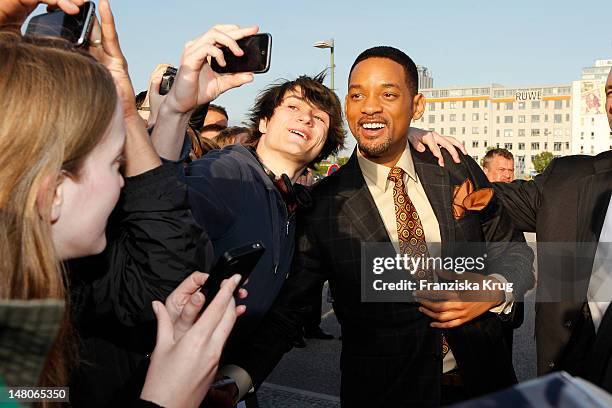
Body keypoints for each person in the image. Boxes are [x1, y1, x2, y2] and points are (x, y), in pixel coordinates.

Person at [218, 46, 534, 407]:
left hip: (486, 385)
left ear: (416, 106)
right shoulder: (323, 207)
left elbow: (514, 250)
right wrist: (235, 381)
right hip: (384, 395)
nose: (369, 106)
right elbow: (288, 314)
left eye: (388, 94)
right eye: (357, 95)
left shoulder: (455, 168)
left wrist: (493, 290)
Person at [0, 17, 244, 408]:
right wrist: (164, 401)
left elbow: (29, 396)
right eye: (117, 163)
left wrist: (133, 114)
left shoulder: (31, 289)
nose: (125, 185)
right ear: (54, 191)